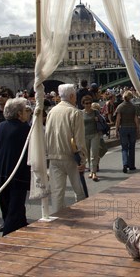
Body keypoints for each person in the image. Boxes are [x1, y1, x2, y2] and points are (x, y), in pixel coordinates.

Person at [0, 98, 31, 236]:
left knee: (7, 206)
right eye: (24, 111)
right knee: (15, 207)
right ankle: (7, 236)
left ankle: (21, 227)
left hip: (0, 171)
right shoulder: (25, 128)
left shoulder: (0, 127)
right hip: (17, 172)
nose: (26, 113)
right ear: (19, 113)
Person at [45, 84, 87, 214]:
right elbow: (79, 139)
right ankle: (81, 214)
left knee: (57, 192)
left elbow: (47, 133)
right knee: (79, 190)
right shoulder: (75, 112)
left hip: (53, 156)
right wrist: (83, 159)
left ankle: (58, 217)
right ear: (72, 96)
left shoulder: (51, 112)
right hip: (70, 155)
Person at [114, 90, 140, 173]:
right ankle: (132, 165)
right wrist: (138, 129)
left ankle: (125, 164)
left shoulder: (120, 107)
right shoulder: (134, 107)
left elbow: (118, 120)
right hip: (132, 128)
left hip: (123, 128)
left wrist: (116, 130)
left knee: (124, 148)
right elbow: (136, 119)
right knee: (132, 147)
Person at [82, 95, 102, 181]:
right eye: (86, 103)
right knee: (87, 155)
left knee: (94, 154)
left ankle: (94, 172)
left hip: (95, 134)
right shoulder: (80, 113)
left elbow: (101, 120)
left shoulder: (95, 112)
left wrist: (98, 120)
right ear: (83, 104)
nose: (88, 105)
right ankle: (91, 170)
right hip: (85, 135)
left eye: (90, 103)